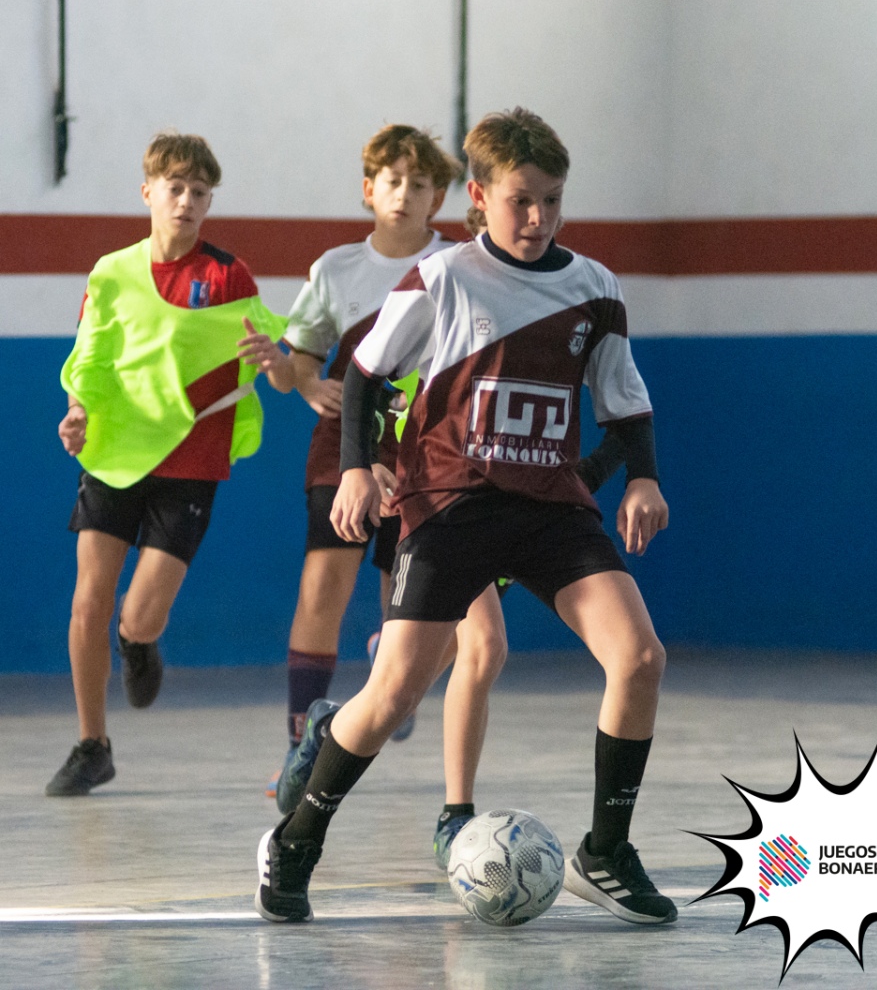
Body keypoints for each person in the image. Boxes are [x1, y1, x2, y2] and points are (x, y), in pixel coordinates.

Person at [255, 107, 676, 926]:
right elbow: (369, 377)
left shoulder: (595, 287)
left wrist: (643, 479)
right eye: (521, 200)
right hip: (451, 503)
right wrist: (355, 469)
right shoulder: (442, 278)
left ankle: (606, 850)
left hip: (552, 505)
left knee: (641, 658)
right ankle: (298, 837)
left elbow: (624, 401)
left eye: (553, 201)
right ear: (478, 197)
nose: (538, 218)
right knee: (395, 691)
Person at [266, 126, 509, 869]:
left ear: (442, 196)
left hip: (429, 457)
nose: (404, 192)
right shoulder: (337, 268)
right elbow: (295, 369)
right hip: (345, 449)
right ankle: (302, 743)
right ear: (368, 188)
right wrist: (303, 379)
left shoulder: (458, 266)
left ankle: (381, 686)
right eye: (390, 179)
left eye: (418, 181)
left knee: (433, 622)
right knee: (323, 585)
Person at [47, 132, 289, 796]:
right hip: (115, 453)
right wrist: (78, 412)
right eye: (174, 187)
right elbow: (91, 358)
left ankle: (140, 642)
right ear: (148, 190)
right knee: (87, 601)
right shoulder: (112, 271)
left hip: (191, 459)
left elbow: (279, 352)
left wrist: (285, 365)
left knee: (139, 614)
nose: (185, 201)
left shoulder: (228, 276)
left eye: (199, 192)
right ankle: (92, 744)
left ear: (210, 200)